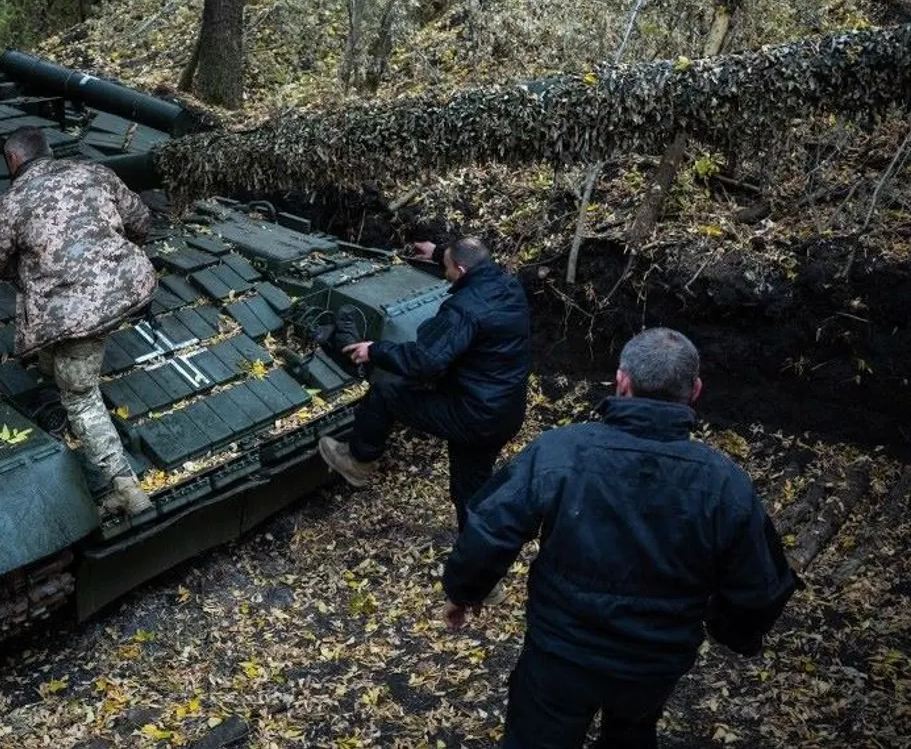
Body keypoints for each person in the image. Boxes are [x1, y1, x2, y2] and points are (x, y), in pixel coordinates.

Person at [440, 327, 799, 748]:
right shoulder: (725, 483)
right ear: (695, 389)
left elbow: (491, 526)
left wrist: (463, 590)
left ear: (622, 381)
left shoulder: (560, 451)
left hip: (562, 652)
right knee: (632, 732)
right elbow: (761, 584)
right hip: (655, 660)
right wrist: (730, 631)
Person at [0, 126, 155, 517]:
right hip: (129, 287)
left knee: (81, 397)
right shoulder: (94, 172)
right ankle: (55, 363)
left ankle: (124, 488)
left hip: (71, 314)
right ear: (48, 151)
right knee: (72, 348)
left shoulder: (11, 203)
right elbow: (141, 220)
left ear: (13, 160)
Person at [317, 236, 531, 535]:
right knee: (470, 486)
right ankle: (482, 552)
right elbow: (467, 262)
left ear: (461, 269)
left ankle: (358, 461)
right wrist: (438, 253)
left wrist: (375, 350)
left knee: (387, 390)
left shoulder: (463, 309)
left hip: (472, 414)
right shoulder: (508, 286)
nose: (445, 274)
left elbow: (425, 361)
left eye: (447, 268)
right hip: (505, 409)